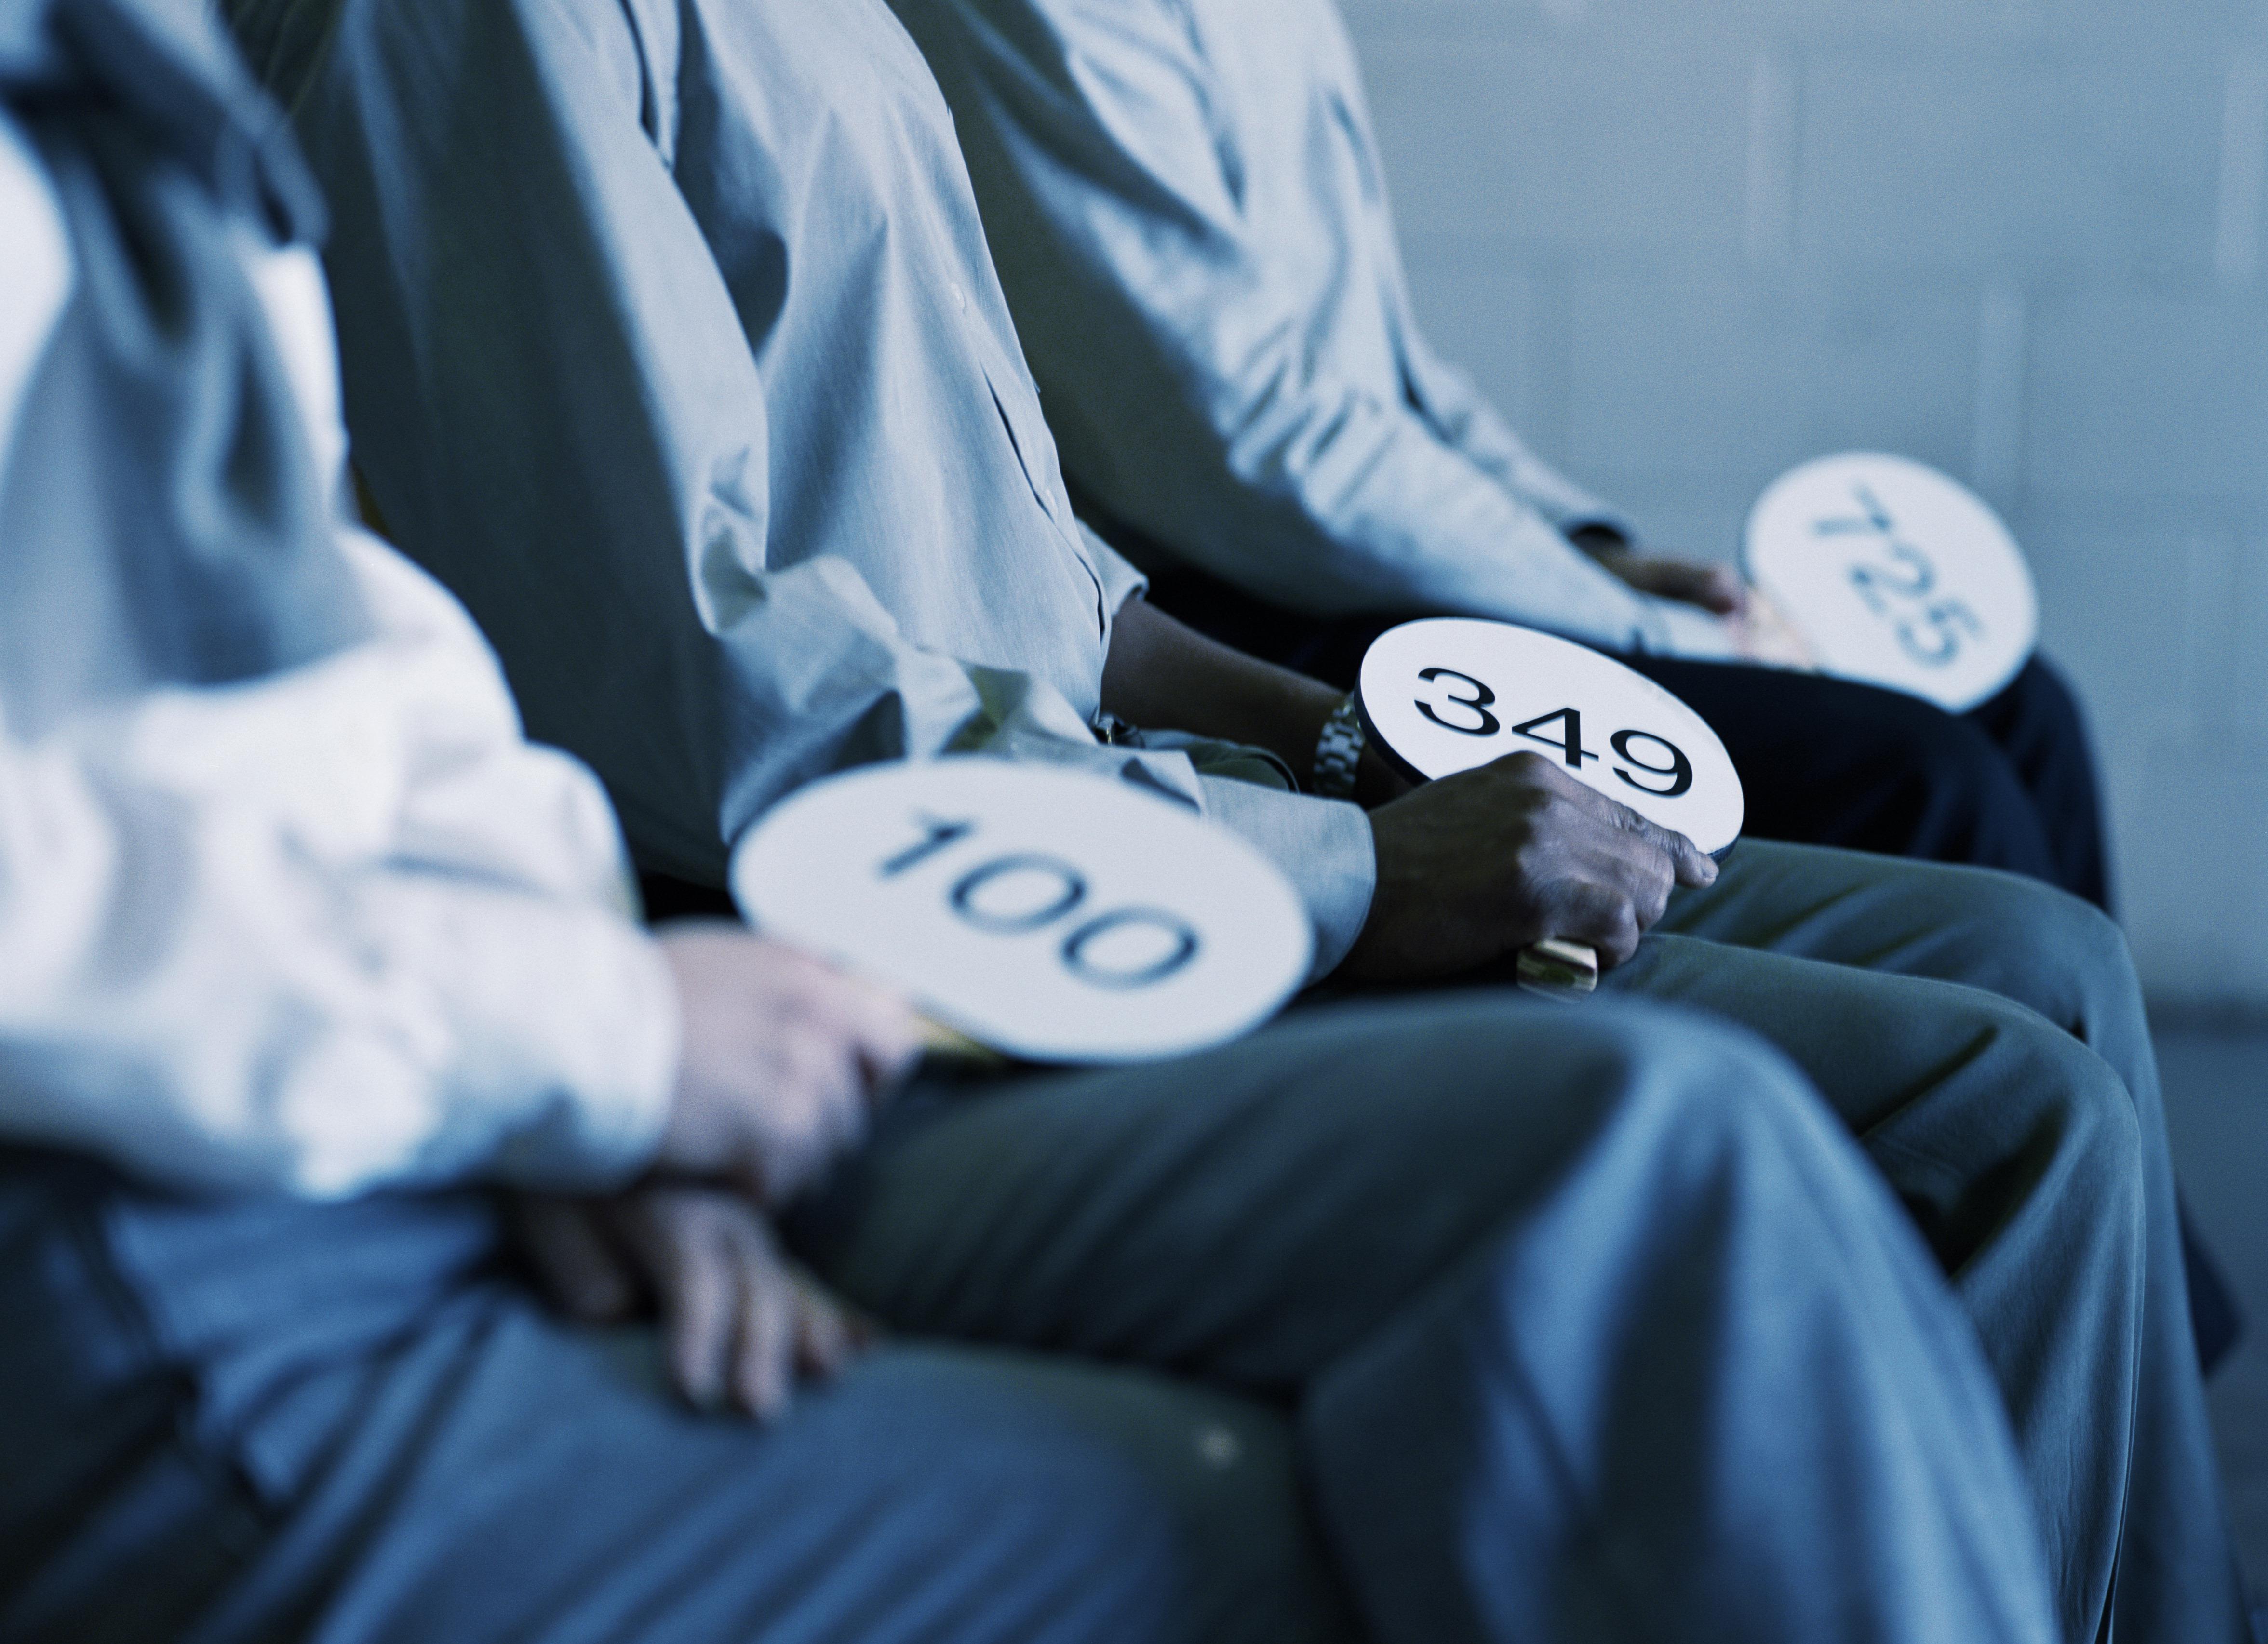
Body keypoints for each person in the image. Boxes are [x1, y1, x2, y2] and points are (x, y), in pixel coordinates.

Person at [0, 7, 2101, 1641]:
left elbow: (993, 568)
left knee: (2003, 1002)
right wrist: (1354, 864)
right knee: (1703, 1155)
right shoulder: (448, 25)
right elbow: (715, 696)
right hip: (812, 949)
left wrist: (1355, 751)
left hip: (670, 965)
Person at [875, 0, 2113, 914]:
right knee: (1929, 779)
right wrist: (1652, 634)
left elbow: (1389, 375)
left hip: (1349, 565)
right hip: (1226, 616)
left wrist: (1602, 556)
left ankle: (2132, 1251)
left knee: (2025, 710)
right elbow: (1252, 447)